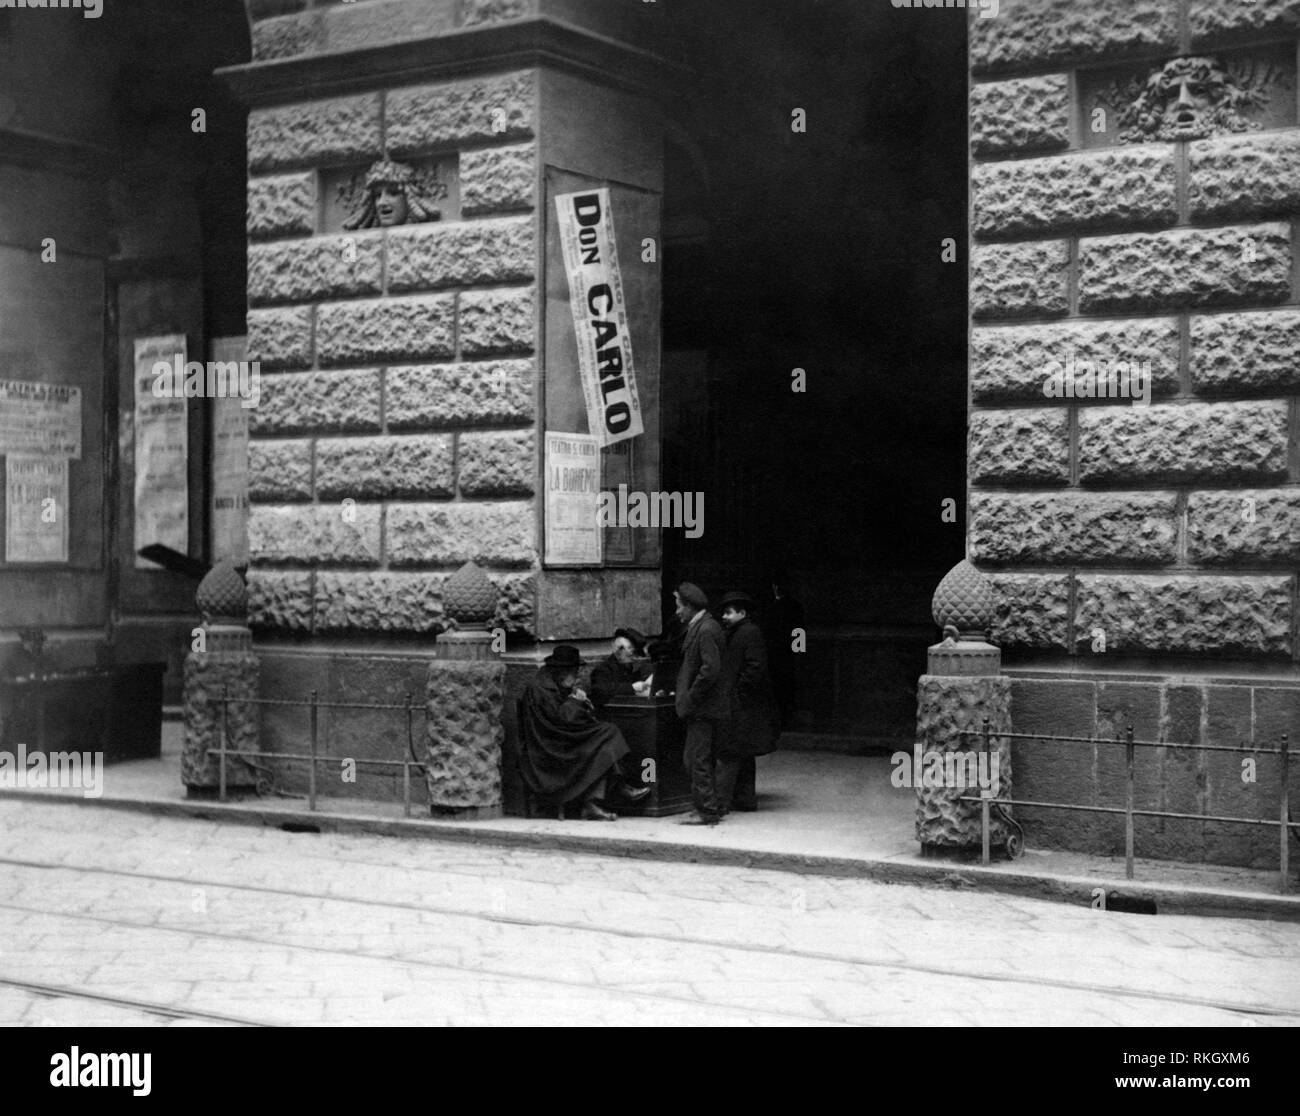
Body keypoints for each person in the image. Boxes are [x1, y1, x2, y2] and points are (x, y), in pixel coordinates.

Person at [518, 645, 650, 820]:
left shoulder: (552, 682)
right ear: (562, 671)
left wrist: (578, 701)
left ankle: (595, 800)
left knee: (606, 735)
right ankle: (613, 790)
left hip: (561, 741)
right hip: (549, 749)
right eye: (574, 671)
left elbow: (564, 719)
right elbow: (560, 721)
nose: (577, 676)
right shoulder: (540, 688)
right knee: (607, 733)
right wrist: (575, 701)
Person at [717, 590, 780, 813]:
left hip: (743, 704)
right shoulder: (740, 631)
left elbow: (754, 667)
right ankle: (745, 799)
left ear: (742, 613)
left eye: (728, 613)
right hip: (744, 703)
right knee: (743, 752)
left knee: (731, 751)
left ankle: (722, 802)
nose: (724, 617)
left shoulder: (748, 632)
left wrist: (737, 694)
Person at [673, 582, 730, 826]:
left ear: (689, 607)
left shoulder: (705, 629)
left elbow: (710, 670)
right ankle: (709, 805)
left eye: (679, 607)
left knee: (697, 759)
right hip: (705, 707)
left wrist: (691, 696)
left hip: (703, 708)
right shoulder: (702, 626)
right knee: (697, 757)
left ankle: (707, 811)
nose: (677, 612)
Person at [763, 570, 804, 731]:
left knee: (779, 687)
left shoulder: (773, 607)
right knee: (785, 687)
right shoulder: (794, 606)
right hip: (786, 654)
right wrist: (798, 651)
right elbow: (799, 631)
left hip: (777, 653)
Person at [589, 628, 653, 715]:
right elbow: (601, 690)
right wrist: (632, 687)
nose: (634, 658)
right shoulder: (602, 670)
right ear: (619, 650)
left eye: (635, 654)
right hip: (611, 715)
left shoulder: (629, 668)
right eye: (631, 654)